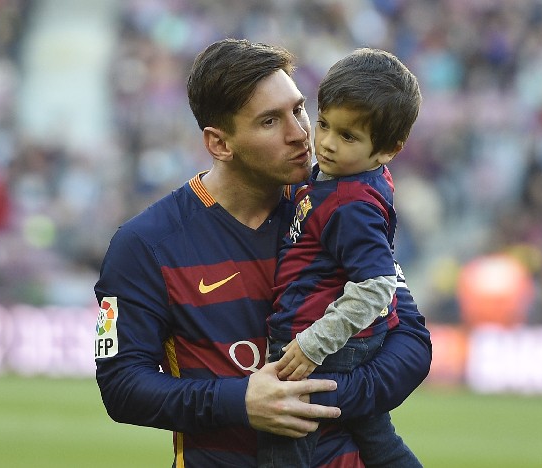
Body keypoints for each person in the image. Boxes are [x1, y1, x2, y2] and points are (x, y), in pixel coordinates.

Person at [94, 38, 431, 467]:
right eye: (271, 121)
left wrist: (318, 394)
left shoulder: (335, 206)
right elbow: (122, 386)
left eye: (299, 109)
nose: (301, 133)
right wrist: (241, 400)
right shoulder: (145, 245)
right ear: (220, 144)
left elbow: (412, 340)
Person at [258, 48, 422, 468]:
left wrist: (313, 345)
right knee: (377, 438)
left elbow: (377, 287)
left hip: (320, 340)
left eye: (348, 136)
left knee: (284, 435)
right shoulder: (349, 178)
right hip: (341, 340)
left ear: (389, 150)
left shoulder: (352, 204)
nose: (326, 144)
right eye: (325, 124)